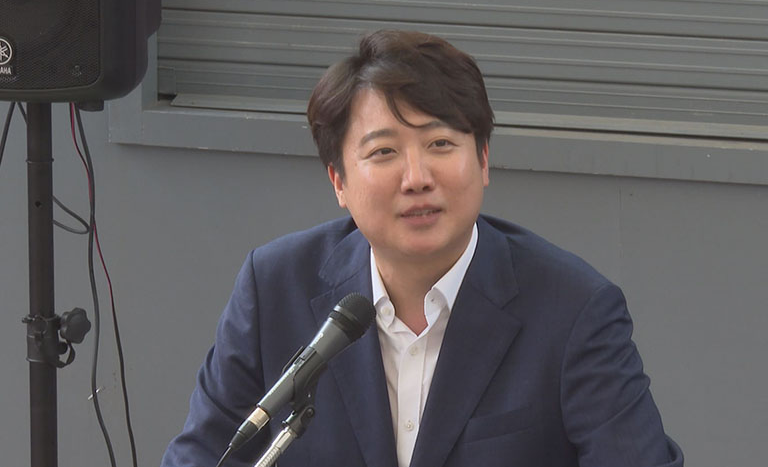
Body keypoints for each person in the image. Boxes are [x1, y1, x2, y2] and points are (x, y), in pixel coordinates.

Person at [161, 30, 683, 467]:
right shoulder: (275, 287)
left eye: (440, 144)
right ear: (339, 181)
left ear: (483, 160)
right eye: (384, 151)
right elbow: (203, 456)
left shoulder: (572, 310)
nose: (416, 178)